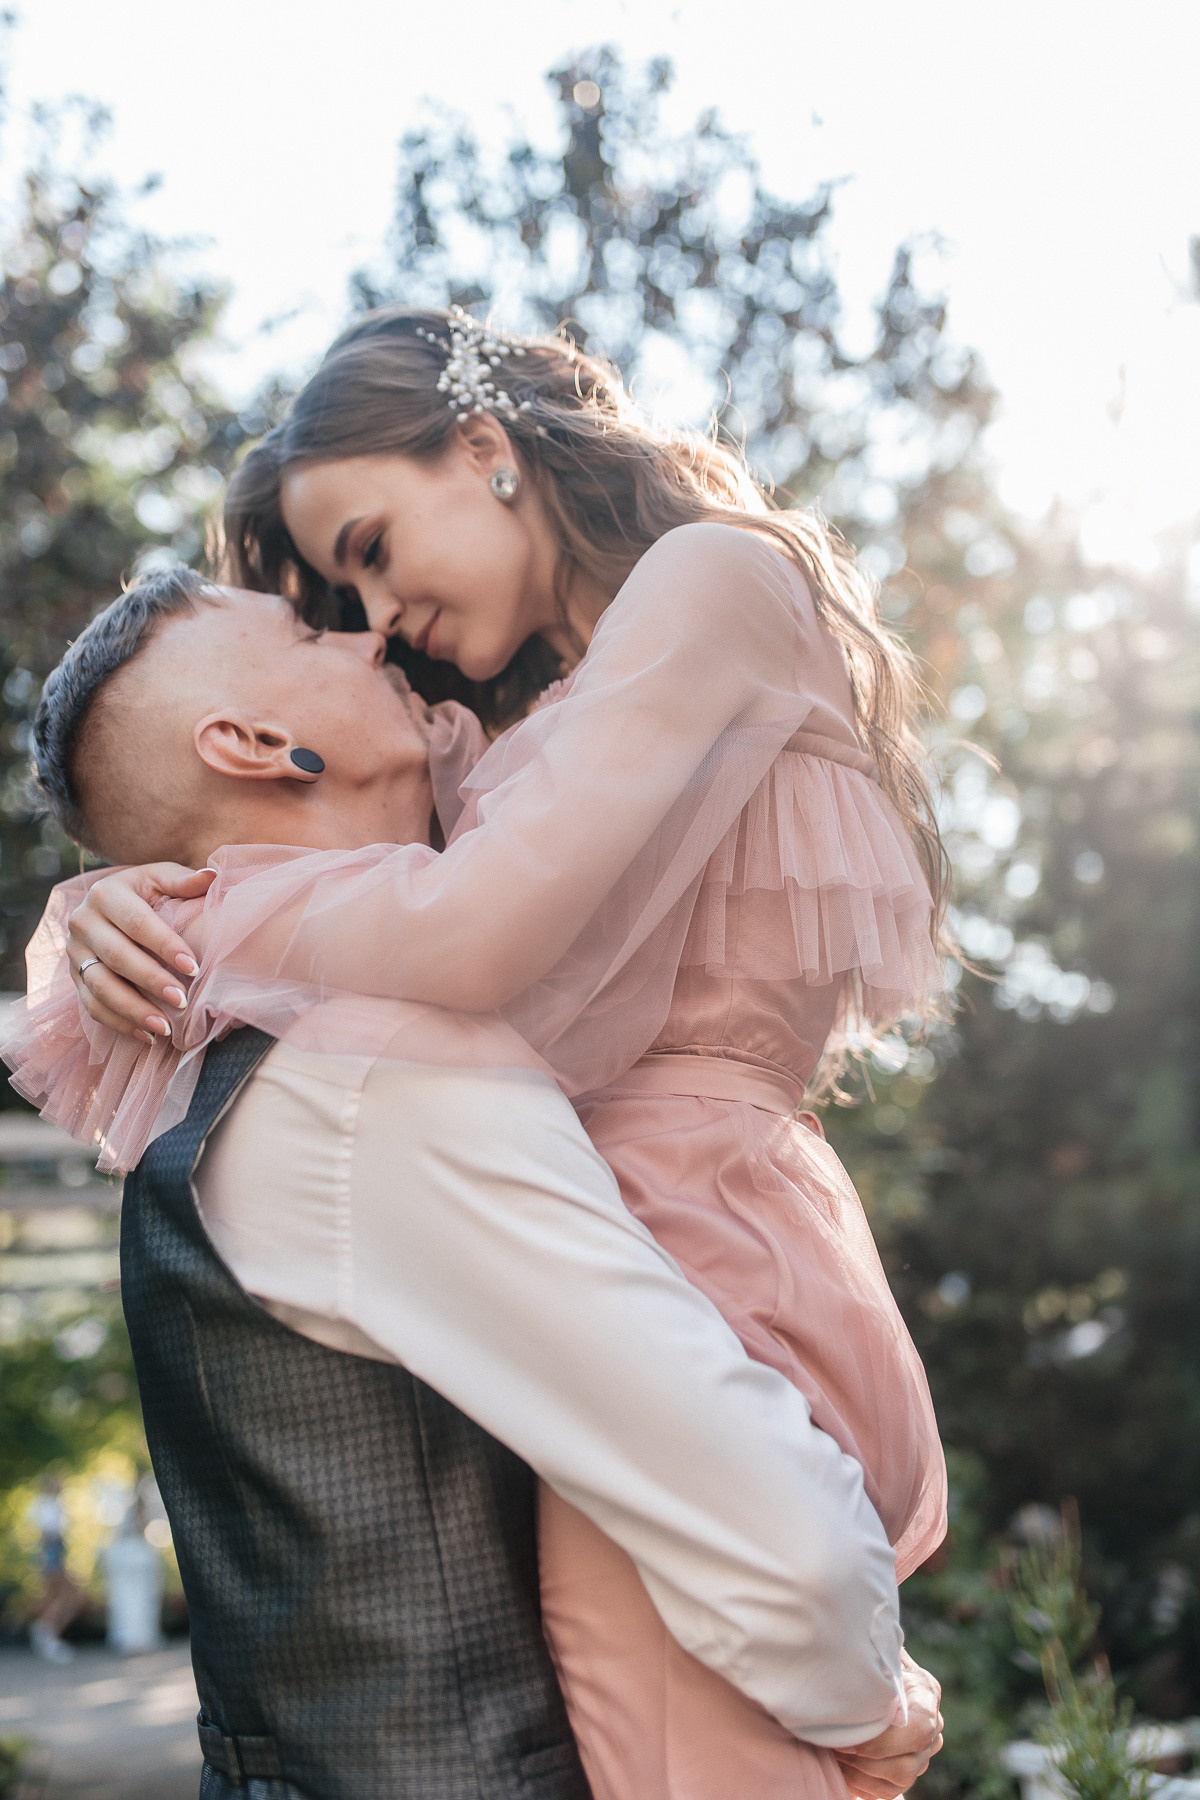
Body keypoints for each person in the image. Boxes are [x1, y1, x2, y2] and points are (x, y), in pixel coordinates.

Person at [63, 306, 952, 1799]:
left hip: (703, 1249)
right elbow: (333, 831)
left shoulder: (712, 579)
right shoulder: (546, 724)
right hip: (634, 1243)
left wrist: (213, 907)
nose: (373, 614)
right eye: (335, 590)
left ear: (483, 447)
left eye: (365, 545)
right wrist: (124, 881)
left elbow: (463, 932)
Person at [27, 1475, 84, 1664]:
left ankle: (46, 1632)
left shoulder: (48, 1505)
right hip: (53, 1553)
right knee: (65, 1594)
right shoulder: (47, 1505)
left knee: (58, 1596)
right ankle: (45, 1632)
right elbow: (48, 1534)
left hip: (53, 1553)